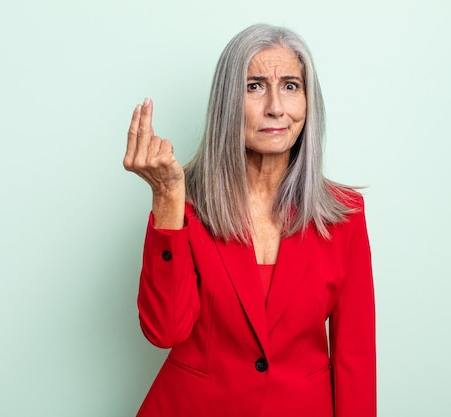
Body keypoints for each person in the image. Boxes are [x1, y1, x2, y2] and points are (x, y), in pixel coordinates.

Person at [123, 23, 376, 417]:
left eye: (291, 86)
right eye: (254, 86)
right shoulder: (183, 204)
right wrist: (167, 199)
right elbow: (165, 331)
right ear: (227, 101)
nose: (276, 106)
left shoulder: (346, 216)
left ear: (309, 102)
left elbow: (355, 361)